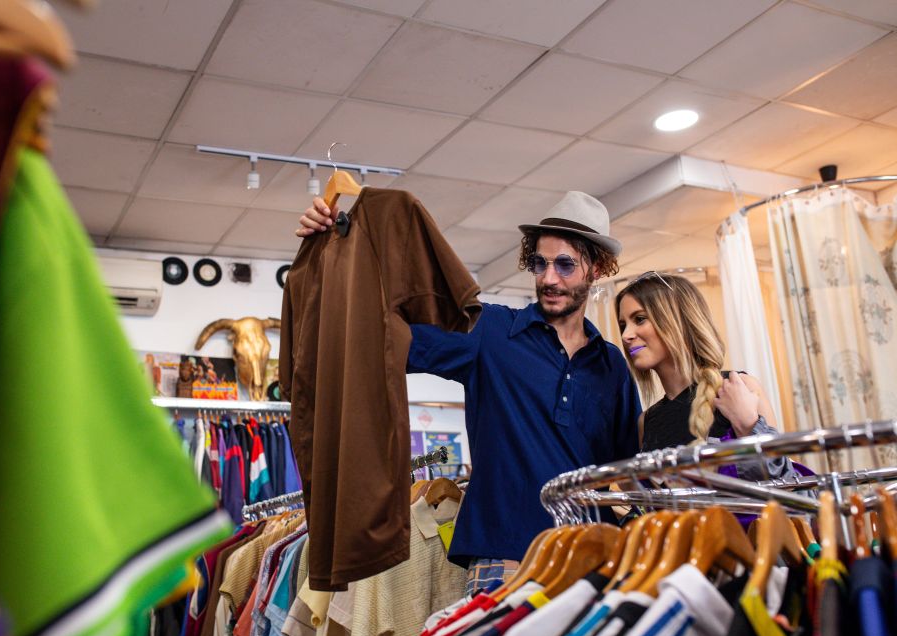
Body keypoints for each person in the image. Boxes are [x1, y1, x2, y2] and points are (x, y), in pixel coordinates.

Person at [297, 190, 641, 593]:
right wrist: (331, 250)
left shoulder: (611, 365)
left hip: (590, 562)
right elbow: (382, 333)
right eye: (540, 263)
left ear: (596, 269)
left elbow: (625, 470)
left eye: (565, 265)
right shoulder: (491, 334)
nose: (549, 278)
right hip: (506, 560)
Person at [615, 271, 790, 480]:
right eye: (623, 325)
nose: (626, 336)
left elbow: (785, 484)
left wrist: (749, 425)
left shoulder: (737, 387)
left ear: (677, 319)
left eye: (640, 319)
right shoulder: (647, 422)